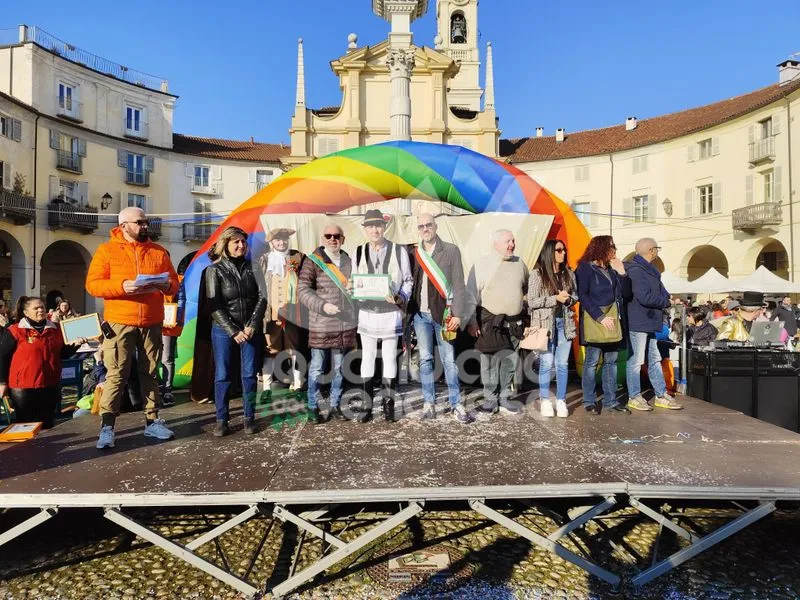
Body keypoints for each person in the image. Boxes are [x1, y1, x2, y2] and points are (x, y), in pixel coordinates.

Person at [86, 206, 179, 450]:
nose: (145, 226)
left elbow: (174, 283)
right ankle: (107, 427)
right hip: (120, 321)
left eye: (145, 221)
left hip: (151, 321)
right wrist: (122, 286)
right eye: (139, 222)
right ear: (124, 225)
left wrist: (167, 284)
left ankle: (152, 421)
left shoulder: (158, 252)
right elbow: (93, 285)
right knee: (116, 374)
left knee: (150, 371)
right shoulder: (106, 250)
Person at [408, 214, 473, 424]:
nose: (425, 228)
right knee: (425, 360)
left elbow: (459, 286)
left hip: (444, 315)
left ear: (436, 226)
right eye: (421, 226)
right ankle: (429, 403)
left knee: (449, 361)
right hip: (420, 315)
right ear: (418, 230)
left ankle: (456, 404)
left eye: (428, 225)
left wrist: (459, 315)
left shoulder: (451, 250)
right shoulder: (414, 253)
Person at [205, 227, 267, 436]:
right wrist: (232, 330)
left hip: (250, 328)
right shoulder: (214, 270)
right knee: (222, 375)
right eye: (236, 242)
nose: (241, 246)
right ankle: (222, 419)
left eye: (243, 242)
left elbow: (262, 298)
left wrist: (251, 325)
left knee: (249, 374)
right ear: (226, 244)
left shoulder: (254, 267)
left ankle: (249, 418)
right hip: (223, 330)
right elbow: (214, 305)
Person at [353, 209, 413, 423]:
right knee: (367, 358)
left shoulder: (398, 250)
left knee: (389, 359)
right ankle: (366, 407)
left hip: (390, 313)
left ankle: (389, 407)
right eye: (370, 226)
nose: (374, 230)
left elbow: (408, 280)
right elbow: (354, 281)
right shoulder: (358, 251)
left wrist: (399, 297)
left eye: (378, 225)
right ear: (365, 229)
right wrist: (353, 289)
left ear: (384, 227)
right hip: (367, 312)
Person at [298, 224, 357, 424]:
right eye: (328, 236)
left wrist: (356, 292)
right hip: (321, 323)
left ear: (343, 238)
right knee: (316, 368)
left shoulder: (350, 260)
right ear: (322, 239)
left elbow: (357, 285)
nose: (333, 239)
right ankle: (312, 406)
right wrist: (323, 306)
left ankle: (335, 404)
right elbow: (303, 291)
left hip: (344, 324)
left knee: (340, 369)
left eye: (337, 236)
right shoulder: (312, 260)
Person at [467, 229, 529, 415]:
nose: (512, 244)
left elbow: (524, 287)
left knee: (510, 362)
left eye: (513, 240)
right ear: (495, 244)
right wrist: (471, 321)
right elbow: (471, 296)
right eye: (507, 241)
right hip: (489, 323)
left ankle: (504, 398)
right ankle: (490, 400)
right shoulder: (481, 265)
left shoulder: (520, 263)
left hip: (514, 324)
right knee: (489, 363)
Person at [0, 296, 87, 428]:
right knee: (25, 425)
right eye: (36, 308)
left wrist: (76, 345)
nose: (41, 310)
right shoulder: (15, 330)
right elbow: (2, 356)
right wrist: (2, 383)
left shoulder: (56, 329)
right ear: (26, 312)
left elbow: (62, 353)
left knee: (47, 424)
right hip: (23, 387)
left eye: (42, 307)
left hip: (50, 384)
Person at [623, 238, 682, 411]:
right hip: (639, 322)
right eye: (657, 248)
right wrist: (665, 302)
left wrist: (666, 298)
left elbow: (663, 292)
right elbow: (644, 297)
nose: (657, 251)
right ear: (651, 250)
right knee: (636, 361)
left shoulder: (651, 271)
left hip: (650, 322)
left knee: (654, 359)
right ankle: (634, 396)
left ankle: (661, 394)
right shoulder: (636, 271)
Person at [575, 235, 629, 415]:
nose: (614, 250)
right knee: (591, 362)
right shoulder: (585, 269)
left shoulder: (612, 270)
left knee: (611, 362)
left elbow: (626, 294)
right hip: (596, 321)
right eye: (612, 247)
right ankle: (589, 401)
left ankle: (610, 400)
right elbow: (583, 295)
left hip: (613, 320)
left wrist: (622, 272)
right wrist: (599, 317)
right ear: (601, 248)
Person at [528, 239, 577, 418]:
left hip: (565, 323)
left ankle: (562, 400)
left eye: (564, 250)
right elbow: (532, 301)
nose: (562, 253)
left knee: (562, 364)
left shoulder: (569, 274)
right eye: (558, 250)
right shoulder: (538, 274)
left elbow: (575, 296)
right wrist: (554, 299)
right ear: (550, 252)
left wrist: (569, 299)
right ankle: (545, 400)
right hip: (544, 325)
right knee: (547, 363)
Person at [258, 228, 308, 392]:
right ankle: (266, 386)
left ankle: (298, 381)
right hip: (269, 312)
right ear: (271, 243)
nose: (282, 243)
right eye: (278, 240)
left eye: (284, 239)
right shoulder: (264, 259)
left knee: (294, 348)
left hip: (292, 311)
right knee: (270, 348)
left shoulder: (298, 257)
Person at [160, 271, 186, 408]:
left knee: (167, 358)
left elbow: (181, 299)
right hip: (150, 322)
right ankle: (153, 390)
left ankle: (167, 390)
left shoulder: (178, 280)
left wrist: (175, 317)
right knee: (150, 358)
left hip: (169, 325)